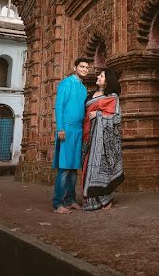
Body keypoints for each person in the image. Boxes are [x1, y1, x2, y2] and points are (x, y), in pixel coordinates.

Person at [82, 68, 124, 211]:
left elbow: (116, 117)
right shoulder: (91, 95)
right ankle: (90, 200)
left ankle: (106, 199)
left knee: (102, 168)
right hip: (87, 135)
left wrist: (98, 114)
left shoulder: (112, 97)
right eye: (99, 75)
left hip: (103, 141)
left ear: (108, 81)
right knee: (87, 166)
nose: (98, 77)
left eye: (101, 76)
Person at [52, 57, 90, 214]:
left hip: (78, 131)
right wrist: (60, 127)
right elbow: (59, 106)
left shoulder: (83, 88)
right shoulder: (66, 83)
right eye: (82, 66)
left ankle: (70, 200)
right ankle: (58, 203)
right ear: (75, 68)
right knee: (64, 168)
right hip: (66, 129)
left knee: (74, 167)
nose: (84, 69)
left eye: (87, 67)